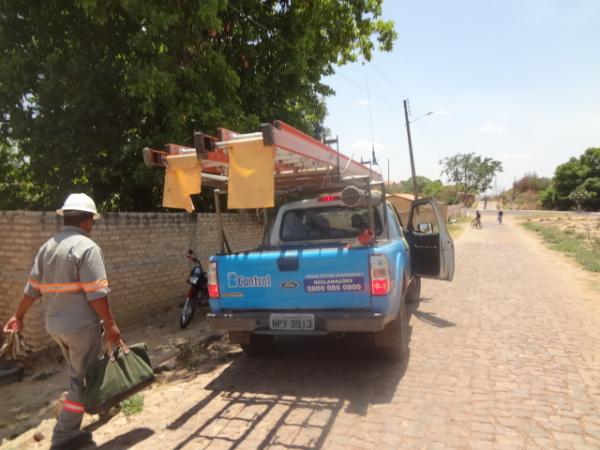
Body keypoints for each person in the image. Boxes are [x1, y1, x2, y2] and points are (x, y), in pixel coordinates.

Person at [3, 193, 123, 449]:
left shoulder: (48, 247)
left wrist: (18, 315)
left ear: (66, 217)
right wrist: (111, 324)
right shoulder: (87, 248)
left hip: (55, 327)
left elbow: (31, 289)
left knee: (80, 373)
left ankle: (97, 409)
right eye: (93, 221)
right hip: (81, 327)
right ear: (88, 220)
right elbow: (97, 294)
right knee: (80, 379)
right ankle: (64, 435)